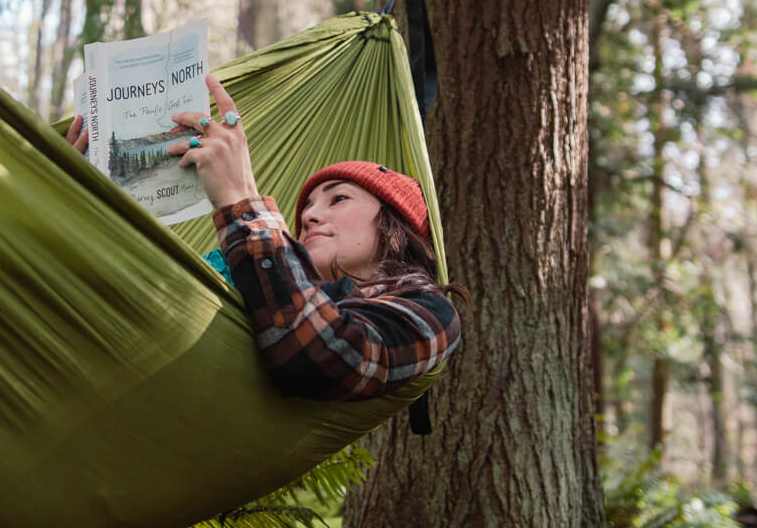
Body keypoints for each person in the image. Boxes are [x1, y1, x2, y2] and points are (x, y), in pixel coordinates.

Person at [64, 75, 463, 402]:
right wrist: (75, 210)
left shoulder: (429, 314)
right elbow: (129, 306)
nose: (308, 214)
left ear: (394, 226)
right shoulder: (248, 283)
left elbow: (327, 358)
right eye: (306, 208)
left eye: (338, 198)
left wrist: (240, 199)